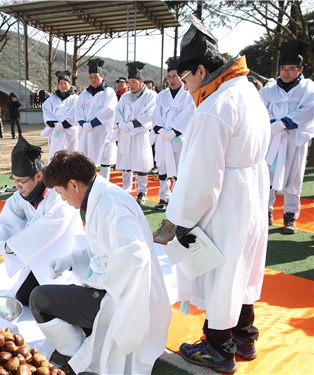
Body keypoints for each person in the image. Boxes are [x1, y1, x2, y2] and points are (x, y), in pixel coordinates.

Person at [165, 16, 270, 373]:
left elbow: (201, 176)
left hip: (227, 197)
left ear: (199, 69)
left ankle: (219, 347)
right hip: (252, 189)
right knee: (244, 265)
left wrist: (182, 221)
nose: (188, 86)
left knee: (222, 270)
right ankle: (244, 335)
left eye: (187, 78)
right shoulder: (247, 90)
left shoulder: (215, 105)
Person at [29, 151, 171, 375]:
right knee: (63, 293)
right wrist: (71, 260)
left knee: (39, 299)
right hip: (122, 288)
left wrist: (98, 281)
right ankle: (83, 345)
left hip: (129, 298)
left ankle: (78, 354)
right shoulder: (101, 194)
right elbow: (105, 248)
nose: (62, 199)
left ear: (73, 185)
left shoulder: (110, 203)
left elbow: (136, 256)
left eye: (60, 192)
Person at [0, 137, 84, 306]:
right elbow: (7, 220)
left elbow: (46, 231)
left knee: (52, 301)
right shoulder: (21, 195)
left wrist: (7, 247)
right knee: (24, 297)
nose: (17, 186)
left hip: (64, 256)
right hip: (38, 255)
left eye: (21, 182)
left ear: (39, 176)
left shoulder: (58, 194)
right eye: (14, 180)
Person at [259, 40, 314, 234]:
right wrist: (272, 123)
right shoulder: (268, 90)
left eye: (291, 69)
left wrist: (285, 122)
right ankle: (266, 211)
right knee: (268, 176)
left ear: (300, 70)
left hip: (294, 139)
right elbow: (258, 109)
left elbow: (310, 110)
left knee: (294, 177)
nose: (286, 72)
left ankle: (290, 216)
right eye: (283, 68)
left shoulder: (308, 88)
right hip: (273, 138)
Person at [151, 57, 195, 216]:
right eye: (169, 76)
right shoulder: (161, 95)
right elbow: (156, 114)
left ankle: (177, 198)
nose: (171, 80)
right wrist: (161, 130)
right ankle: (164, 197)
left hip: (178, 138)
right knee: (162, 167)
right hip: (163, 138)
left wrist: (174, 131)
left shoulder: (188, 94)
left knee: (178, 168)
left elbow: (189, 114)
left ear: (182, 77)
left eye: (175, 76)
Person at [114, 61, 157, 205]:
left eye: (134, 82)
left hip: (140, 134)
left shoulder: (150, 95)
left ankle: (141, 192)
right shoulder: (125, 97)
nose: (131, 85)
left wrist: (133, 124)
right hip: (125, 133)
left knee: (141, 164)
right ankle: (126, 190)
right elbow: (118, 111)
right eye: (129, 82)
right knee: (126, 162)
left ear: (141, 81)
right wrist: (121, 123)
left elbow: (150, 113)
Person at [74, 58, 118, 180]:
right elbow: (78, 110)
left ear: (102, 76)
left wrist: (93, 123)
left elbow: (109, 109)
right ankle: (89, 182)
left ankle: (104, 182)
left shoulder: (108, 92)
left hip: (102, 131)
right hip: (87, 131)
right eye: (91, 77)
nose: (93, 79)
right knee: (87, 158)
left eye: (96, 77)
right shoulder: (84, 94)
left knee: (104, 158)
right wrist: (83, 124)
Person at [41, 70, 80, 162]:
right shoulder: (51, 99)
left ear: (70, 84)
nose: (63, 85)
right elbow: (46, 110)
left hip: (70, 131)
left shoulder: (75, 99)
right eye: (60, 83)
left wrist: (65, 124)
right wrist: (54, 123)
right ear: (58, 85)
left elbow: (76, 111)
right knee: (55, 153)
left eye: (65, 83)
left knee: (71, 155)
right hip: (56, 132)